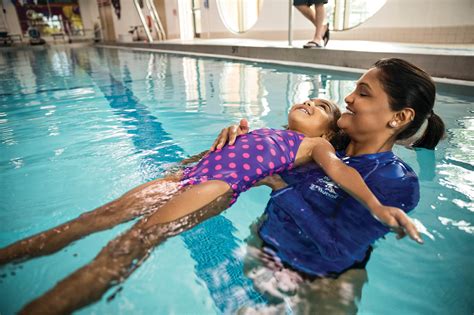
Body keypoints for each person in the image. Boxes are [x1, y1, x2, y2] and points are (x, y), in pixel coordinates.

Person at [4, 58, 442, 314]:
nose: (348, 98)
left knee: (128, 246)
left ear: (399, 117)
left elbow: (338, 245)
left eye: (362, 94)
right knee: (100, 224)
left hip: (319, 286)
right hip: (258, 256)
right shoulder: (322, 150)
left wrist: (280, 187)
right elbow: (265, 163)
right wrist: (236, 140)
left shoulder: (393, 181)